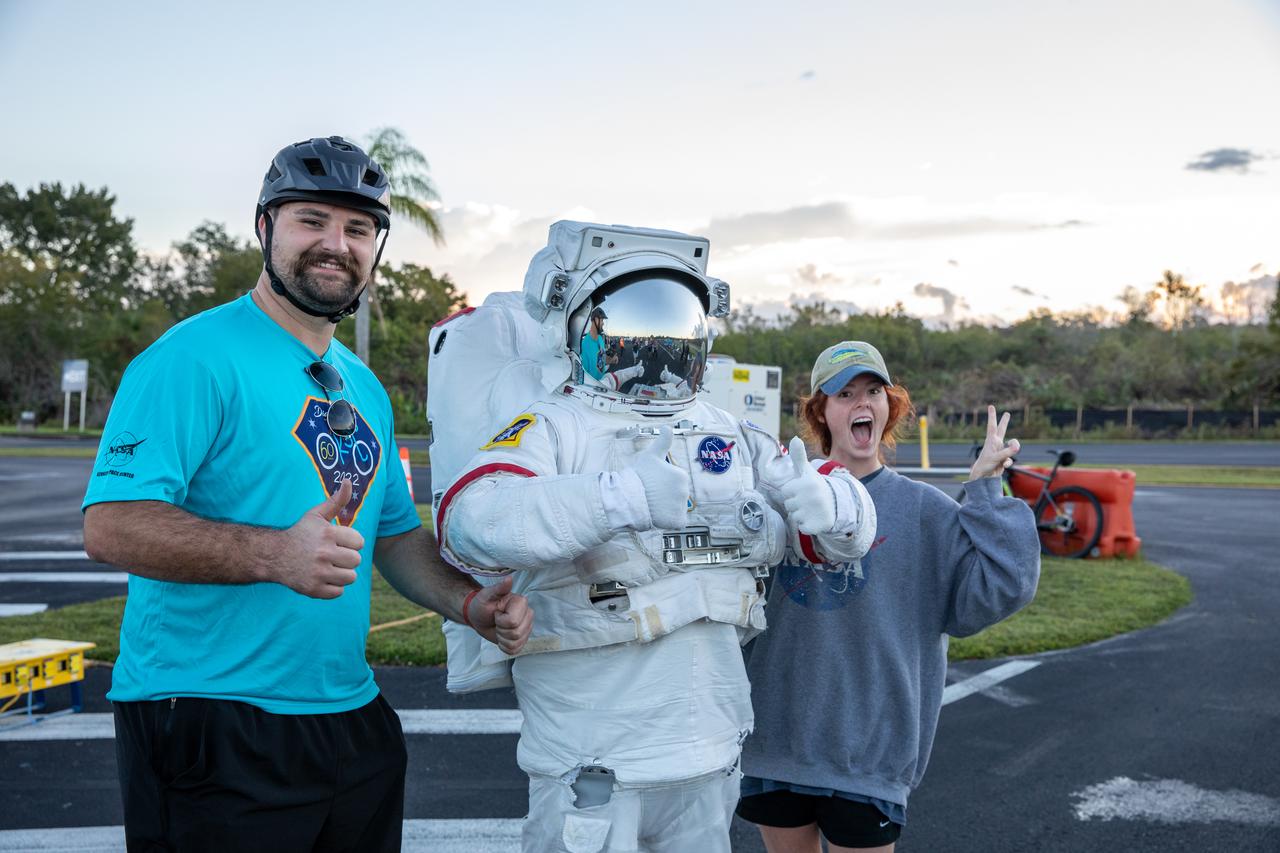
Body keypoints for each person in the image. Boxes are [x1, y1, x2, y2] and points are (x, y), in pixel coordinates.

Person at [81, 135, 533, 853]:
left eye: (358, 228)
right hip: (210, 715)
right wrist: (273, 554)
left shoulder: (366, 385)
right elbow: (111, 524)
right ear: (265, 227)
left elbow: (391, 533)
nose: (336, 243)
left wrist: (468, 601)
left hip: (350, 717)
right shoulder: (191, 358)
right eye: (311, 220)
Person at [433, 221, 877, 853]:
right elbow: (473, 519)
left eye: (676, 332)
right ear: (584, 333)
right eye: (639, 330)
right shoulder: (557, 426)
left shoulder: (719, 429)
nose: (660, 356)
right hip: (594, 764)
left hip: (709, 754)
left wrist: (834, 505)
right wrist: (623, 497)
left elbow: (830, 532)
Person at [736, 340, 1040, 853]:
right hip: (776, 742)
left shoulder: (925, 510)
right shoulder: (779, 497)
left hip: (869, 754)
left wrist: (985, 491)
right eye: (845, 393)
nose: (862, 403)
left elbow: (1002, 587)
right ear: (821, 412)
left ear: (889, 406)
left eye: (873, 391)